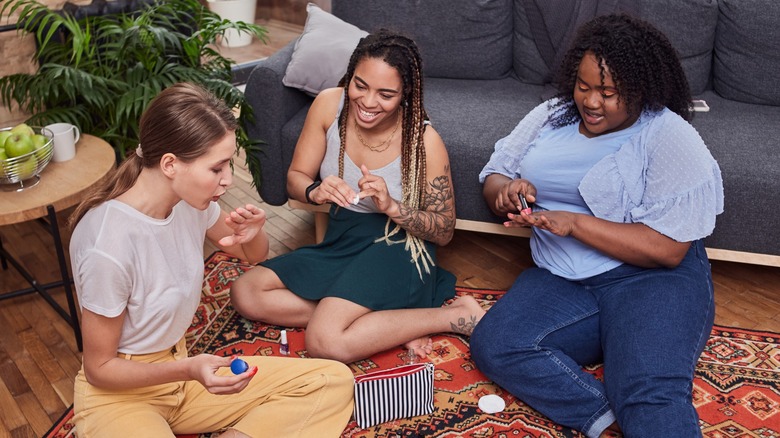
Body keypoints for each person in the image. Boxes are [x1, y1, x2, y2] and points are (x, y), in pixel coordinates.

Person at [470, 14, 724, 438]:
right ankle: (608, 415)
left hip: (650, 281)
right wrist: (506, 191)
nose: (590, 101)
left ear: (640, 90)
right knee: (497, 344)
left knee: (647, 389)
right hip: (563, 278)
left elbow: (667, 249)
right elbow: (495, 172)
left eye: (608, 93)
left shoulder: (668, 134)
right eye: (583, 86)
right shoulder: (552, 115)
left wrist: (575, 224)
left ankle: (637, 395)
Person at [68, 83, 354, 437]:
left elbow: (252, 255)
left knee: (332, 380)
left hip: (181, 374)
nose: (228, 181)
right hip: (120, 396)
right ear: (170, 164)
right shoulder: (106, 246)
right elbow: (100, 368)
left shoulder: (188, 203)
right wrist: (189, 370)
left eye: (228, 165)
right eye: (217, 168)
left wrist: (254, 233)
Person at [230, 29, 485, 363]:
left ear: (405, 93)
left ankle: (452, 316)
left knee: (324, 342)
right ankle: (391, 323)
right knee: (246, 293)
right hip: (344, 238)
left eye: (386, 94)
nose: (367, 102)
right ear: (350, 76)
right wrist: (315, 191)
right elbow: (296, 178)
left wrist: (392, 206)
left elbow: (444, 230)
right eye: (360, 85)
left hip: (398, 247)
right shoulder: (327, 106)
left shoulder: (424, 140)